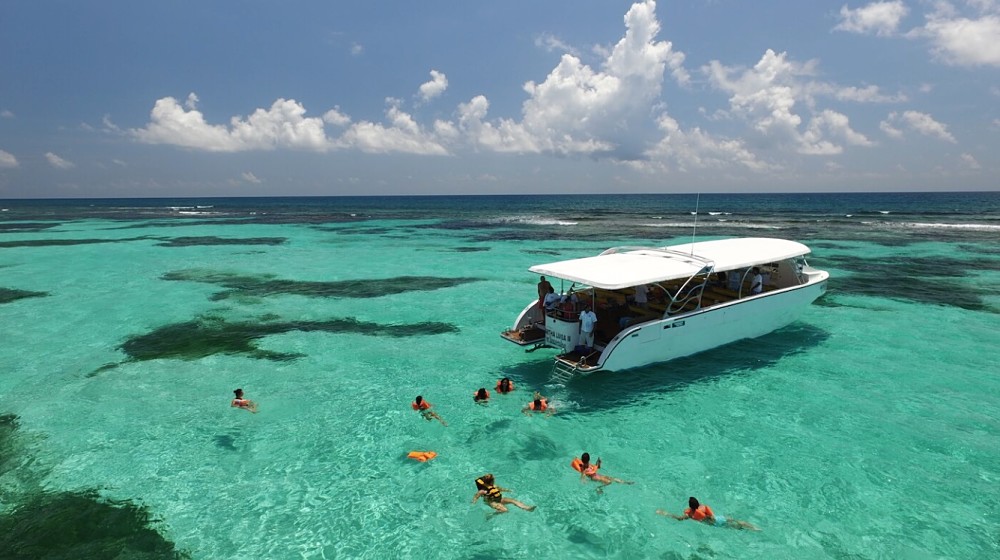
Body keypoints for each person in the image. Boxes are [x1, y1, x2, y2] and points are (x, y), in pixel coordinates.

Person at [656, 496, 759, 530]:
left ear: (690, 506)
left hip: (716, 524)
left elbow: (679, 518)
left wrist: (665, 513)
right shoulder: (703, 507)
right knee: (735, 521)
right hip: (719, 518)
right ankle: (754, 527)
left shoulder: (690, 514)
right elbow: (712, 516)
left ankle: (753, 528)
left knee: (737, 527)